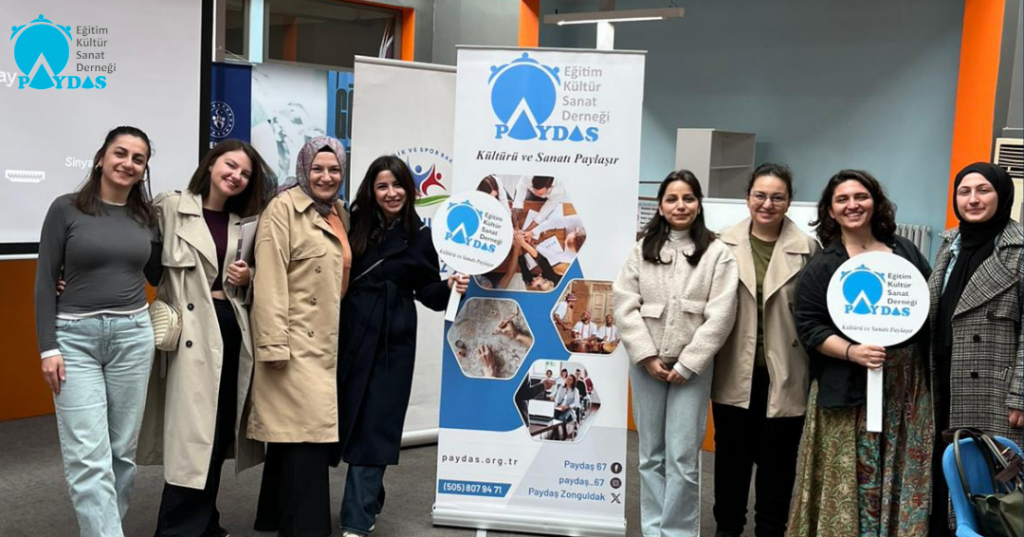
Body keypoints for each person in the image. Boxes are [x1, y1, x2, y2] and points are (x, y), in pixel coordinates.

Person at [136, 140, 276, 537]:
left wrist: (249, 277)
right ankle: (177, 529)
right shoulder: (171, 206)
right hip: (189, 336)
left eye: (245, 173)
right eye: (230, 165)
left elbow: (257, 280)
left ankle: (204, 522)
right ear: (212, 164)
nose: (236, 176)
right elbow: (139, 257)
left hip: (231, 329)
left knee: (217, 432)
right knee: (191, 436)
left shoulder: (244, 222)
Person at [787, 170, 933, 536]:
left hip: (903, 386)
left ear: (875, 202)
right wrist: (853, 352)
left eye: (861, 196)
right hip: (847, 384)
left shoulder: (905, 252)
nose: (852, 205)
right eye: (842, 199)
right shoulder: (824, 265)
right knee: (851, 475)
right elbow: (810, 327)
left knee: (901, 468)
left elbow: (926, 304)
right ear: (830, 210)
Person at [34, 126, 161, 537]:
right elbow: (44, 280)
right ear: (101, 158)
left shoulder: (147, 217)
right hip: (74, 339)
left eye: (138, 159)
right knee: (88, 457)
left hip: (133, 336)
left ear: (144, 170)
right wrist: (47, 348)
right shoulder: (65, 209)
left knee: (122, 453)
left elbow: (158, 274)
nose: (128, 163)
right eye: (120, 153)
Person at [335, 155, 468, 537]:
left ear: (409, 190)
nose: (391, 193)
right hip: (349, 332)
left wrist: (448, 287)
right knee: (346, 420)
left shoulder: (421, 235)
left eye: (397, 185)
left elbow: (427, 292)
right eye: (382, 186)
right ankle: (369, 496)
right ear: (371, 190)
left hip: (393, 337)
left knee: (377, 423)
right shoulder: (351, 223)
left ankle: (356, 518)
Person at [614, 170, 739, 537]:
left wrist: (689, 363)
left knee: (683, 457)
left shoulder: (717, 253)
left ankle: (678, 532)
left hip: (692, 370)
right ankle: (654, 530)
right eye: (672, 199)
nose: (680, 205)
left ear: (698, 204)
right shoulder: (641, 249)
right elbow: (624, 305)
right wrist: (646, 356)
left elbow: (722, 314)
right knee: (650, 455)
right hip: (646, 365)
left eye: (688, 198)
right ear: (660, 206)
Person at [249, 136, 351, 537]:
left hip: (328, 339)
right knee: (306, 440)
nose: (326, 177)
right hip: (295, 342)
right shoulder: (282, 208)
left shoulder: (338, 212)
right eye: (317, 169)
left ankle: (272, 515)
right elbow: (269, 280)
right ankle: (305, 529)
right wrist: (273, 343)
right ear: (303, 169)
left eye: (334, 169)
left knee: (293, 437)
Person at [711, 164, 819, 537]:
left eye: (777, 197)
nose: (767, 204)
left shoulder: (808, 249)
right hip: (733, 371)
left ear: (789, 202)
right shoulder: (721, 244)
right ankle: (727, 529)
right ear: (748, 198)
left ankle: (770, 531)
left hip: (786, 372)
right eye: (760, 195)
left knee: (778, 465)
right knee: (731, 462)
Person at [927, 162, 1023, 535]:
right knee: (946, 473)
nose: (973, 199)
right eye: (964, 191)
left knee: (993, 482)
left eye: (983, 190)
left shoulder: (1019, 248)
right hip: (942, 378)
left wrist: (1021, 393)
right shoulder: (948, 244)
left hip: (996, 388)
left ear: (1002, 195)